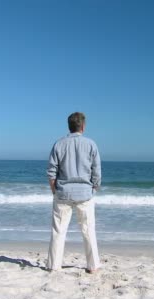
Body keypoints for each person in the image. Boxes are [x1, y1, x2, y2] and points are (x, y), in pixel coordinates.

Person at [46, 112, 101, 273]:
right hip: (85, 193)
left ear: (69, 126)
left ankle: (53, 265)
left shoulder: (59, 144)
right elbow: (96, 172)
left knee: (58, 230)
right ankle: (93, 265)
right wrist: (94, 188)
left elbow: (51, 171)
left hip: (63, 193)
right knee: (88, 230)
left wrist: (54, 190)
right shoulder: (91, 144)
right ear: (83, 126)